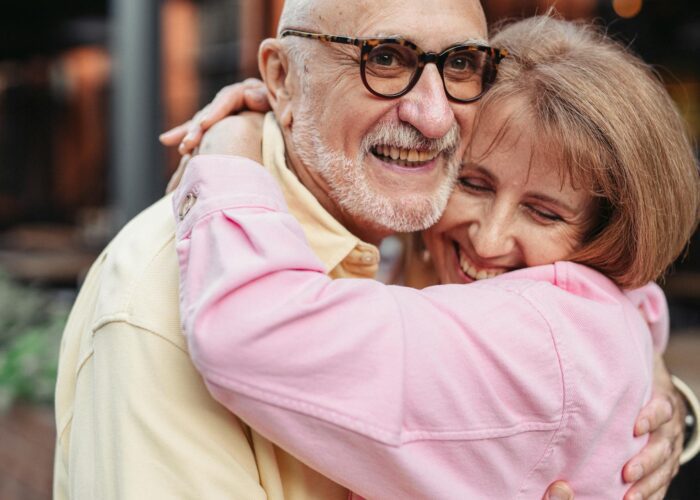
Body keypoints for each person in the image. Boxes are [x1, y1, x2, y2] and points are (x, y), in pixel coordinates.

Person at [53, 0, 685, 498]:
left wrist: (233, 145)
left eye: (460, 65)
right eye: (384, 58)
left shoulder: (539, 314)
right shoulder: (161, 300)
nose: (433, 116)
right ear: (280, 76)